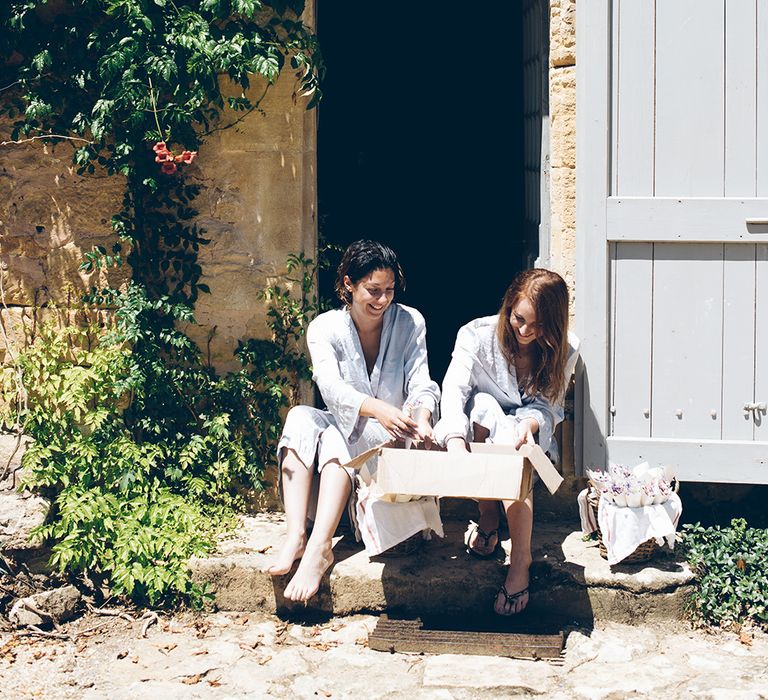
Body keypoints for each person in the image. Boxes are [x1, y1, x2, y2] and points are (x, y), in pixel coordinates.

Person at [264, 240, 440, 602]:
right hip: (354, 427)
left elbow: (422, 382)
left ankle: (319, 548)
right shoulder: (324, 328)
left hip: (390, 442)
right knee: (299, 416)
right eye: (373, 291)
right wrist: (376, 408)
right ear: (349, 284)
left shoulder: (411, 322)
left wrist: (421, 418)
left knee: (335, 439)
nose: (382, 300)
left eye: (389, 291)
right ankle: (297, 533)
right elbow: (329, 386)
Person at [433, 268, 580, 616]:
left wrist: (530, 423)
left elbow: (550, 407)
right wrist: (453, 437)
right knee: (483, 410)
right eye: (519, 319)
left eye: (539, 325)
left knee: (513, 443)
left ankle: (520, 558)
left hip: (523, 434)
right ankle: (488, 515)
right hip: (478, 426)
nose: (526, 331)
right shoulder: (476, 334)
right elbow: (454, 388)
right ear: (508, 307)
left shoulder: (567, 348)